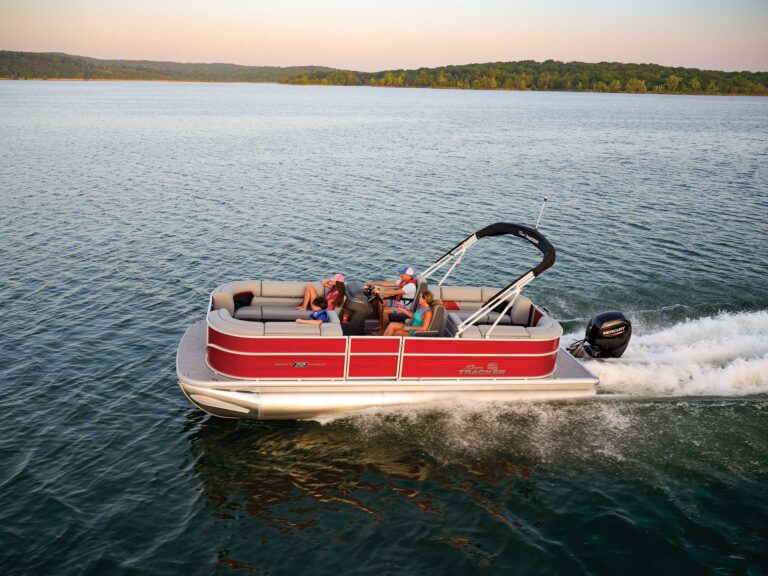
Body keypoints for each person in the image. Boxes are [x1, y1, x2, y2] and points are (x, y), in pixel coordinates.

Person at [366, 266, 418, 335]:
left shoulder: (410, 286)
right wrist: (374, 283)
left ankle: (383, 330)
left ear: (408, 275)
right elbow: (389, 283)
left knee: (386, 311)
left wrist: (380, 292)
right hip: (399, 303)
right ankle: (381, 325)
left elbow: (394, 292)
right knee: (381, 303)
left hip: (404, 307)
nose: (401, 275)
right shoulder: (403, 282)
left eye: (402, 274)